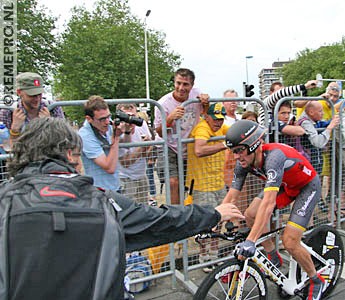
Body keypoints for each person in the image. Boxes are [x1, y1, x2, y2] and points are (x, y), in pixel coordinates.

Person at [3, 117, 244, 300]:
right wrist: (214, 214)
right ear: (69, 154)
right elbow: (161, 221)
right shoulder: (102, 202)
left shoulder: (5, 201)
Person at [222, 119, 326, 300]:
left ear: (254, 146)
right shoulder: (244, 163)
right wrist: (215, 220)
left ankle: (316, 279)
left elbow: (269, 204)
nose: (237, 156)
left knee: (290, 241)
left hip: (307, 187)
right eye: (233, 151)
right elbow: (231, 196)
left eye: (240, 151)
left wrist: (251, 241)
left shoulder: (274, 158)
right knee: (250, 214)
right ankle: (272, 255)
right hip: (286, 186)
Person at [153, 68, 209, 205]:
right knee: (173, 182)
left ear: (192, 85)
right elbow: (159, 132)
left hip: (188, 145)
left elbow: (204, 114)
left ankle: (188, 213)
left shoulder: (197, 94)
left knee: (189, 183)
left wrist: (206, 103)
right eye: (178, 83)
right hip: (169, 146)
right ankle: (176, 216)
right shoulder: (163, 104)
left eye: (185, 84)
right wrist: (170, 118)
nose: (181, 88)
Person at [186, 102, 229, 272]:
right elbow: (199, 149)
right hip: (202, 186)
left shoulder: (221, 127)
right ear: (206, 116)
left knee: (219, 221)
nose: (218, 122)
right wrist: (224, 144)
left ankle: (214, 255)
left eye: (221, 119)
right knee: (205, 224)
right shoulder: (202, 128)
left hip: (218, 184)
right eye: (215, 119)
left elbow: (235, 130)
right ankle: (203, 257)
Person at [0, 72, 65, 146]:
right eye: (32, 95)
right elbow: (6, 148)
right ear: (19, 92)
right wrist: (14, 130)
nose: (37, 99)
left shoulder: (53, 107)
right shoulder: (8, 111)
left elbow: (63, 141)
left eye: (39, 94)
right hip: (21, 156)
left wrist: (48, 125)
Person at [79, 95, 123, 191]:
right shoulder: (85, 135)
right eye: (102, 119)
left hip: (115, 187)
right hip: (98, 191)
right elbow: (109, 167)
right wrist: (116, 138)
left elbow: (126, 141)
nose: (107, 122)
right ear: (89, 119)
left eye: (109, 117)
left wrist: (128, 128)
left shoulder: (108, 124)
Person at [116, 103, 153, 202]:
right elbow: (125, 163)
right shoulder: (118, 132)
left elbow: (148, 154)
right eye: (127, 117)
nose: (131, 120)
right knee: (128, 211)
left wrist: (148, 144)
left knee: (144, 209)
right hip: (126, 179)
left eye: (133, 116)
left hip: (141, 175)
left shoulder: (142, 124)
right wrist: (143, 147)